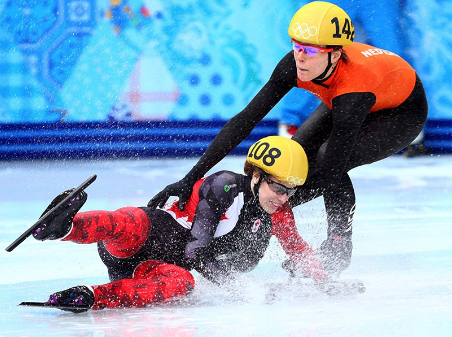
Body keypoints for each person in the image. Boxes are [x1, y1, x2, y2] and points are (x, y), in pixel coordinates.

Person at [148, 1, 428, 276]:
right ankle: (259, 217)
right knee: (293, 158)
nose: (300, 57)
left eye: (310, 50)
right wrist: (191, 176)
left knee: (326, 159)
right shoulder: (297, 64)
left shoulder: (353, 89)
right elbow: (245, 120)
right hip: (354, 92)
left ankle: (339, 244)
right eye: (297, 46)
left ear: (334, 54)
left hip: (401, 111)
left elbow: (332, 168)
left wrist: (266, 207)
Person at [29, 136, 328, 312]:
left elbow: (297, 249)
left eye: (291, 191)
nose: (284, 198)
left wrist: (326, 282)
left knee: (183, 283)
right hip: (148, 234)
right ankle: (65, 227)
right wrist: (244, 288)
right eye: (279, 188)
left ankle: (93, 296)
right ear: (256, 175)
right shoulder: (224, 186)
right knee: (129, 221)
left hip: (151, 268)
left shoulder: (279, 212)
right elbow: (196, 252)